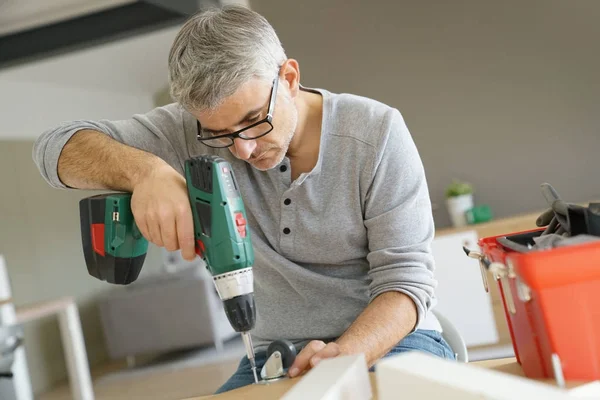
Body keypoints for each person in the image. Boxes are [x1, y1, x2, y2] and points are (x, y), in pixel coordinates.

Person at [32, 5, 455, 393]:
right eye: (218, 133)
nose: (242, 151)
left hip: (390, 344)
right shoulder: (184, 131)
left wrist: (344, 354)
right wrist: (146, 172)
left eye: (254, 122)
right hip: (271, 355)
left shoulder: (375, 134)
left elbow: (407, 282)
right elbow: (52, 149)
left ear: (288, 79)